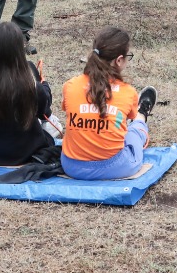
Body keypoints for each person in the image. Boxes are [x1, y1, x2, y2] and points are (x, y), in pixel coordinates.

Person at [61, 28, 158, 180]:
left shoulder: (70, 85)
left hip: (72, 166)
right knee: (133, 130)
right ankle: (143, 115)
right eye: (128, 57)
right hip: (115, 167)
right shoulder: (127, 92)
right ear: (119, 60)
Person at [0, 22, 61, 167]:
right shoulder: (31, 83)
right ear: (19, 50)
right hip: (24, 151)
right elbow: (43, 113)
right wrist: (44, 87)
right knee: (53, 125)